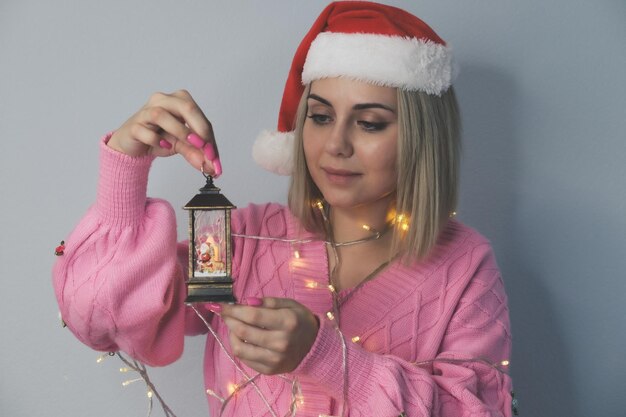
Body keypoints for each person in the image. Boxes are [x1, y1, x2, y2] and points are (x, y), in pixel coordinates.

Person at [53, 2, 514, 416]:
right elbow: (98, 321)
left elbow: (478, 411)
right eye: (320, 116)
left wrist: (328, 358)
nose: (336, 145)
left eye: (370, 123)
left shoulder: (464, 266)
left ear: (422, 138)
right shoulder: (243, 240)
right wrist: (125, 168)